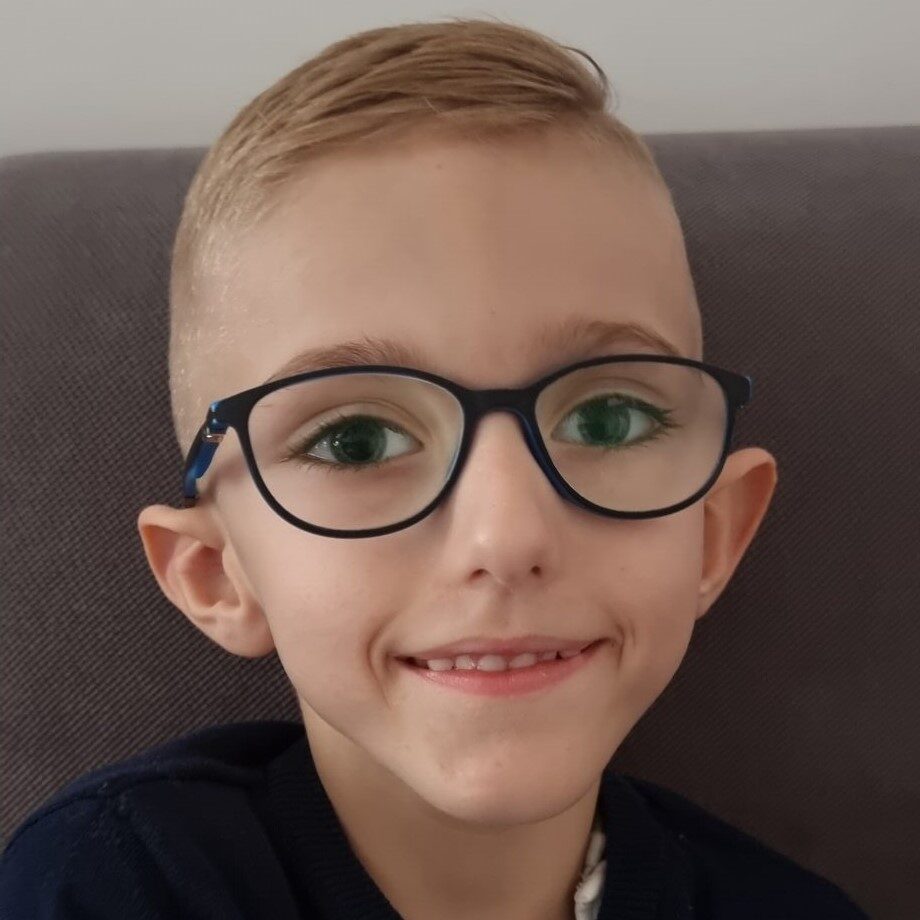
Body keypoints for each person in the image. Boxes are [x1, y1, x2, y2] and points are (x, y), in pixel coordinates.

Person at [0, 17, 868, 920]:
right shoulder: (118, 881)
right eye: (356, 441)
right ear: (219, 574)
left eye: (606, 419)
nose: (507, 537)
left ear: (714, 534)